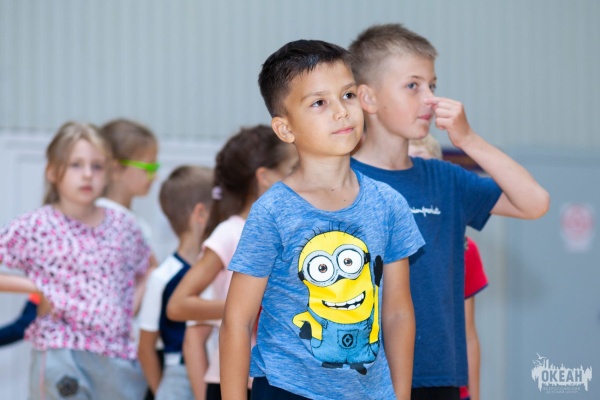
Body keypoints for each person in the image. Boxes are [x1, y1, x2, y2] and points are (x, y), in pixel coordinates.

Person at [348, 23, 549, 399]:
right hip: (359, 377)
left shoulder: (446, 179)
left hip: (438, 376)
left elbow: (535, 202)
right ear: (368, 98)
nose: (430, 99)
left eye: (433, 85)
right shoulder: (340, 181)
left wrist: (468, 139)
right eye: (413, 86)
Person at [219, 40, 424, 400]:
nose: (342, 112)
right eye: (319, 103)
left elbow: (397, 313)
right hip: (286, 390)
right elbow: (236, 322)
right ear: (285, 129)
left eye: (348, 95)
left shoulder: (389, 204)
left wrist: (400, 395)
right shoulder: (272, 211)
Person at [0, 121, 151, 399]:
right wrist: (37, 288)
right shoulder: (37, 225)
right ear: (53, 171)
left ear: (109, 172)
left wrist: (127, 309)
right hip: (62, 351)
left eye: (97, 166)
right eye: (76, 165)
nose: (87, 175)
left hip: (117, 356)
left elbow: (147, 269)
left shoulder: (124, 226)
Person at [167, 124, 298, 400]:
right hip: (233, 382)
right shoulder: (230, 233)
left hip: (281, 381)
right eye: (293, 168)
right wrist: (243, 308)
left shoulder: (293, 231)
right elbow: (178, 305)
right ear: (264, 177)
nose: (302, 176)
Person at [408, 135, 488, 400]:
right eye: (410, 165)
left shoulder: (464, 249)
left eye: (424, 165)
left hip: (445, 384)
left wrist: (473, 395)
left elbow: (468, 334)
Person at [137, 165, 213, 400]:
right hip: (178, 378)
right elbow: (145, 348)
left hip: (215, 372)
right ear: (200, 214)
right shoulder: (163, 277)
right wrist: (163, 391)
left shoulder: (216, 269)